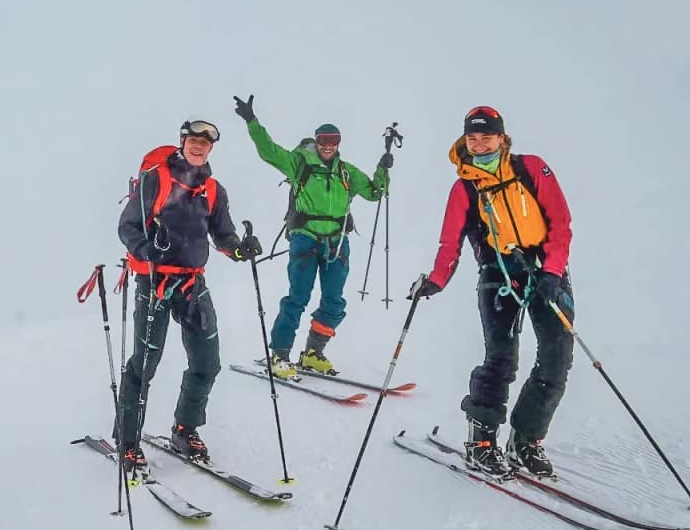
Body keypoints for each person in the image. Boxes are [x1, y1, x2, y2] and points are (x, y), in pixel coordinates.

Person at [409, 106, 574, 478]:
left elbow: (560, 223)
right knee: (501, 358)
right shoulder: (464, 186)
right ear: (465, 140)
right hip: (498, 273)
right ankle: (481, 442)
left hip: (547, 270)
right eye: (473, 137)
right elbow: (449, 242)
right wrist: (436, 279)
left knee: (557, 357)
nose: (480, 143)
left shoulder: (531, 168)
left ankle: (526, 440)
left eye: (487, 136)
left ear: (502, 137)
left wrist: (551, 270)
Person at [116, 119, 262, 469]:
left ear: (211, 148)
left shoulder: (213, 190)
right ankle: (128, 442)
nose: (198, 146)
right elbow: (127, 225)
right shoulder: (156, 180)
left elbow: (222, 234)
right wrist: (145, 248)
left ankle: (185, 429)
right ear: (182, 141)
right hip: (154, 282)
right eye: (193, 140)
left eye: (205, 143)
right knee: (145, 364)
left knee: (207, 362)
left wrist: (241, 249)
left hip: (192, 285)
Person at [232, 94, 391, 377]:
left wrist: (383, 168)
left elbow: (374, 193)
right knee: (298, 297)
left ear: (339, 143)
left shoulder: (346, 172)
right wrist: (252, 121)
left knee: (334, 300)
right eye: (323, 140)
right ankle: (279, 355)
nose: (328, 145)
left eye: (334, 141)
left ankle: (313, 353)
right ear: (316, 142)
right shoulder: (299, 164)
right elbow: (269, 151)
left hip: (338, 242)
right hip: (305, 239)